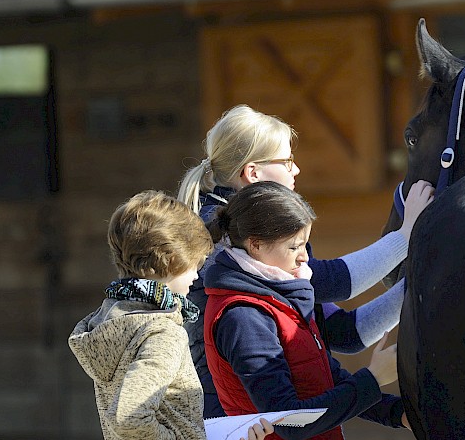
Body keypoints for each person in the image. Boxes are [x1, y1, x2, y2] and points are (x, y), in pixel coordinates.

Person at [177, 104, 434, 418]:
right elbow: (334, 282)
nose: (295, 170)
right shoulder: (222, 235)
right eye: (286, 160)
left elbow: (345, 332)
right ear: (253, 172)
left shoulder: (262, 231)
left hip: (265, 425)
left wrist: (420, 280)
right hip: (231, 428)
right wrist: (406, 236)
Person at [203, 181, 409, 440]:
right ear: (256, 244)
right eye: (294, 246)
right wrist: (372, 379)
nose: (304, 257)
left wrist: (397, 413)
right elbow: (289, 422)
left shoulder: (283, 291)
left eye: (305, 244)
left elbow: (326, 379)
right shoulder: (244, 317)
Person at [68, 190, 273, 440]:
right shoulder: (161, 332)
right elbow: (129, 415)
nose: (197, 274)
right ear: (168, 260)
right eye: (194, 263)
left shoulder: (113, 321)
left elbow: (168, 417)